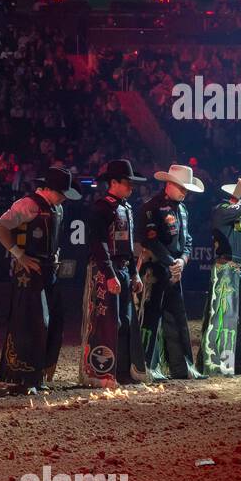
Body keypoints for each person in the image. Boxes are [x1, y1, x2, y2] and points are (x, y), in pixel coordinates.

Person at [0, 165, 78, 394]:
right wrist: (19, 254)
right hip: (29, 272)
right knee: (32, 322)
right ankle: (21, 376)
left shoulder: (55, 209)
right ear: (50, 189)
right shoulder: (27, 205)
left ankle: (37, 374)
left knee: (51, 321)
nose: (63, 198)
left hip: (48, 270)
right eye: (61, 193)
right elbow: (0, 227)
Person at [81, 159, 147, 387]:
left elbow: (126, 246)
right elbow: (98, 243)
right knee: (108, 320)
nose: (131, 187)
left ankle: (121, 370)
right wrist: (109, 274)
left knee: (126, 320)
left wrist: (134, 273)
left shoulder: (125, 208)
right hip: (106, 269)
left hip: (123, 269)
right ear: (114, 182)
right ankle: (101, 371)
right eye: (128, 183)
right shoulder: (101, 208)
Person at [139, 164, 204, 381]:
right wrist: (171, 262)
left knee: (177, 318)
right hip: (156, 270)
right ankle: (148, 365)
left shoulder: (183, 210)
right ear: (169, 184)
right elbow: (149, 239)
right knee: (152, 317)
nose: (184, 192)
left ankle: (183, 367)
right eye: (181, 187)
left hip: (174, 270)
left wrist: (182, 262)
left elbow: (188, 241)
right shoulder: (152, 207)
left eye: (186, 188)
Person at [197, 176, 241, 377]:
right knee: (224, 318)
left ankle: (238, 361)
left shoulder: (237, 216)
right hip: (226, 270)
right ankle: (217, 363)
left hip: (240, 270)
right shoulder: (221, 211)